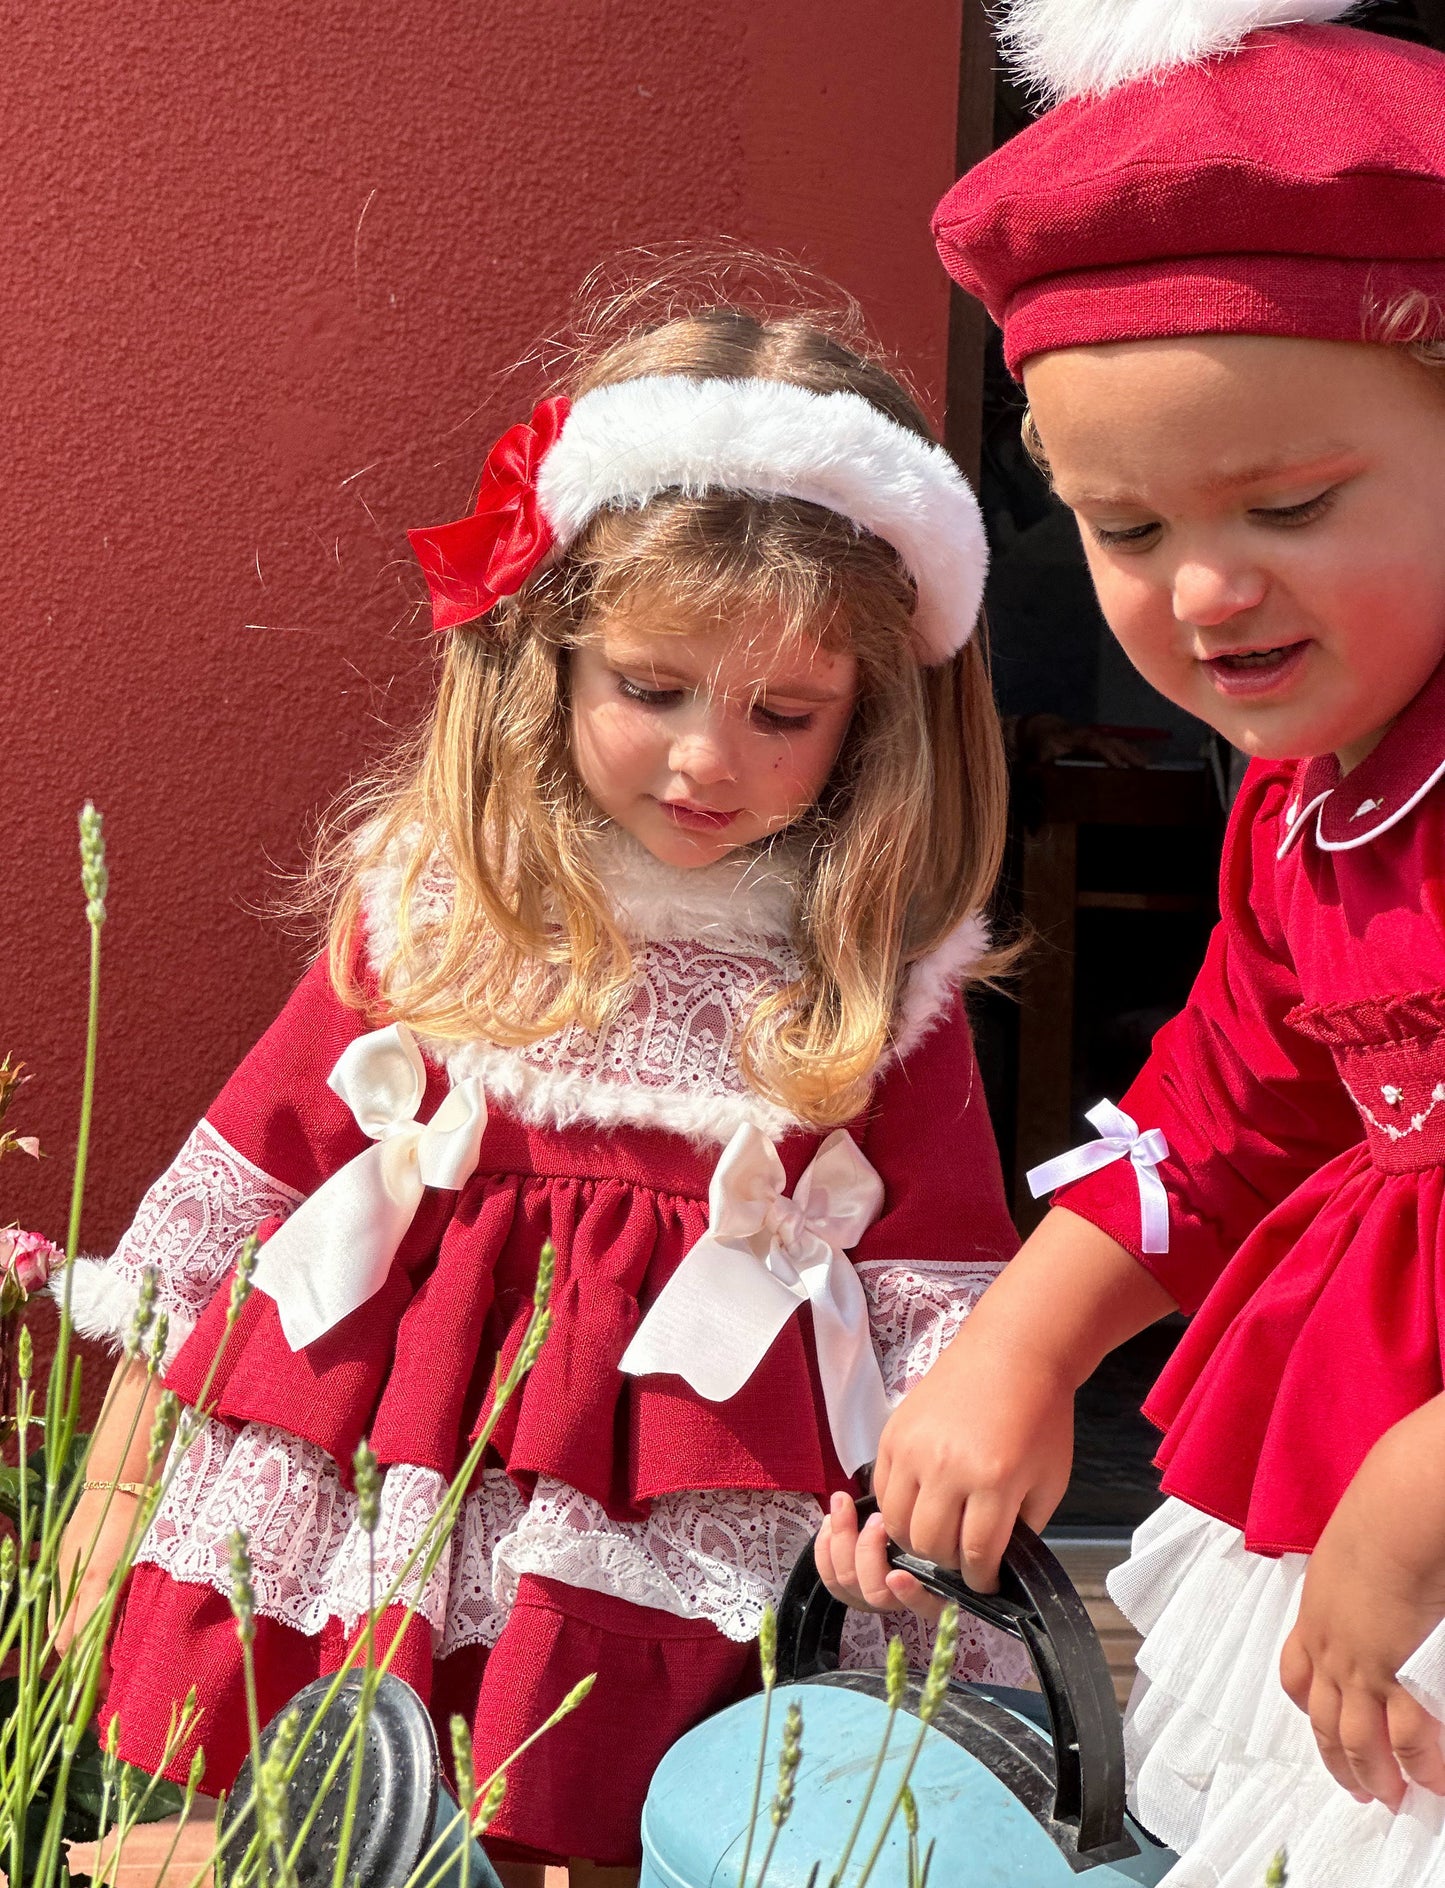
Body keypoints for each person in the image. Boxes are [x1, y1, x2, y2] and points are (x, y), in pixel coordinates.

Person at [57, 275, 1029, 1884]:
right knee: (301, 1829)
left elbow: (940, 1294)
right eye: (652, 689)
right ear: (548, 657)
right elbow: (238, 1192)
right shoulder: (439, 915)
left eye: (782, 714)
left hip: (675, 1515)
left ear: (871, 721)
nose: (708, 759)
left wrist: (925, 1517)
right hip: (389, 1477)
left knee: (612, 1825)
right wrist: (116, 1484)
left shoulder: (865, 982)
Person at [815, 7, 1445, 1883]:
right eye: (1123, 526)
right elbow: (1234, 1107)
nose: (1204, 587)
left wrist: (1421, 1489)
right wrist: (1015, 1348)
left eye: (1290, 505)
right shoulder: (1311, 799)